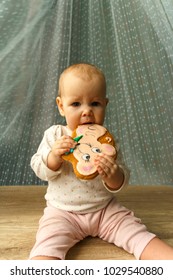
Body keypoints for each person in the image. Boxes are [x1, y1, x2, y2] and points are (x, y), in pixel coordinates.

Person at [29, 63, 173, 260]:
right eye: (76, 104)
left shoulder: (106, 141)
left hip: (105, 210)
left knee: (138, 235)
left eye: (95, 103)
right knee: (46, 247)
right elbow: (38, 167)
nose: (86, 111)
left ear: (105, 105)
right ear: (61, 106)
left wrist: (114, 175)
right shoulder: (55, 135)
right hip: (62, 213)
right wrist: (54, 157)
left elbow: (121, 180)